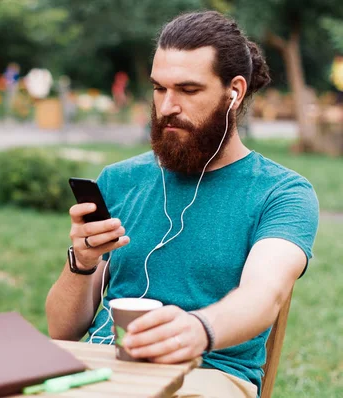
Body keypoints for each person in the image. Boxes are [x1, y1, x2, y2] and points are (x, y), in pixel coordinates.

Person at [45, 11, 319, 398]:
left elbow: (264, 295)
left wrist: (198, 330)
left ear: (234, 91)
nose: (167, 106)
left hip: (210, 374)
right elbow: (61, 331)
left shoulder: (282, 192)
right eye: (159, 89)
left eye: (188, 90)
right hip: (100, 369)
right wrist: (82, 261)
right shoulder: (119, 180)